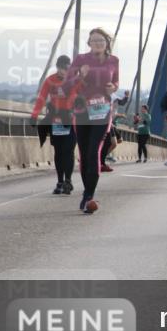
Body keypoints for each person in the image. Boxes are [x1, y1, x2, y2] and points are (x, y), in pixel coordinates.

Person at [63, 27, 119, 214]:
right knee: (84, 153)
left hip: (102, 111)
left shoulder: (114, 61)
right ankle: (87, 194)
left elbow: (116, 82)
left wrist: (113, 87)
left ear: (106, 43)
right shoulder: (80, 60)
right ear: (89, 43)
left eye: (101, 41)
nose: (97, 43)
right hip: (81, 111)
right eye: (94, 40)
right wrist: (80, 75)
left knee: (94, 150)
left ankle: (89, 196)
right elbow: (66, 85)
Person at [31, 54, 78, 194]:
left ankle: (68, 181)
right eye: (62, 68)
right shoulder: (50, 80)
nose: (64, 71)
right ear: (58, 67)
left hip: (70, 119)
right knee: (59, 151)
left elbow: (76, 96)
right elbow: (42, 98)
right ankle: (60, 181)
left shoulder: (74, 81)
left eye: (67, 69)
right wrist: (34, 115)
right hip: (55, 119)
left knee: (68, 151)